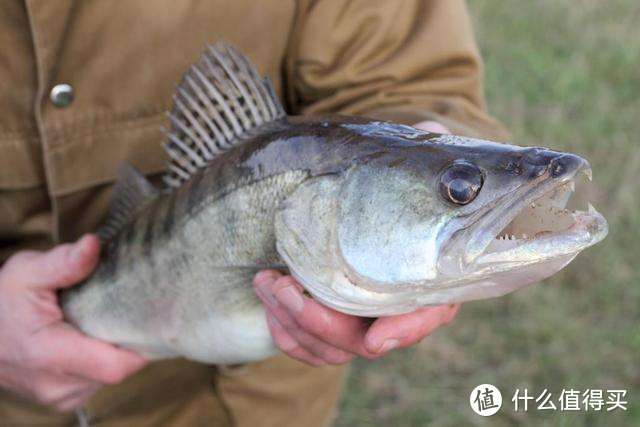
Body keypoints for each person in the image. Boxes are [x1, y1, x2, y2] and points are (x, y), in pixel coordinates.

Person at [0, 0, 508, 425]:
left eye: (458, 189)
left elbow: (405, 79)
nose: (463, 194)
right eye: (460, 190)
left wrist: (429, 134)